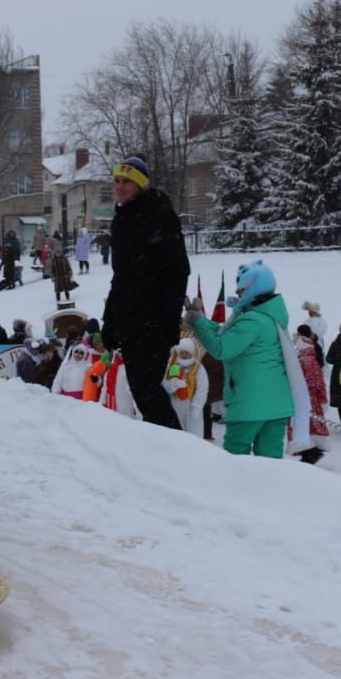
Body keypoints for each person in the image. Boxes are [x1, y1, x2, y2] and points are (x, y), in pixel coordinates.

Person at [102, 156, 192, 430]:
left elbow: (178, 271)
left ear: (140, 184)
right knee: (142, 390)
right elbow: (120, 279)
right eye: (117, 181)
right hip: (130, 320)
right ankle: (167, 447)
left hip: (153, 319)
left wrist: (168, 320)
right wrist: (110, 322)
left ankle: (178, 449)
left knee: (147, 389)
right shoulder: (121, 219)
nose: (120, 187)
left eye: (126, 181)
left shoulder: (157, 213)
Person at [185, 260, 294, 458]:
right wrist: (202, 321)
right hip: (276, 404)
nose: (237, 293)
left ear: (252, 289)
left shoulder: (252, 320)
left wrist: (199, 323)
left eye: (241, 289)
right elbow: (228, 335)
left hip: (249, 403)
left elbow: (222, 348)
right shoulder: (268, 317)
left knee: (235, 459)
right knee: (271, 462)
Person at [293, 324, 330, 461]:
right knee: (309, 424)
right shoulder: (311, 354)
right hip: (309, 397)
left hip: (307, 398)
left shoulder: (306, 359)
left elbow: (313, 381)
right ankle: (308, 450)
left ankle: (310, 452)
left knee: (307, 424)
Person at [162, 338, 209, 439]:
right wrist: (174, 383)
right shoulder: (174, 367)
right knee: (178, 435)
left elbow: (202, 389)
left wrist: (196, 406)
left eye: (187, 352)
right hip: (176, 405)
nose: (184, 355)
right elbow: (165, 384)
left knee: (194, 437)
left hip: (191, 405)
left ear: (191, 352)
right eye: (182, 352)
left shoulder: (198, 368)